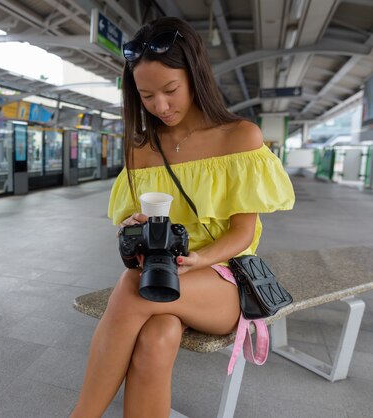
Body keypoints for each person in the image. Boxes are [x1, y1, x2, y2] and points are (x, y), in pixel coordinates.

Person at [70, 17, 295, 418]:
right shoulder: (141, 150)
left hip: (223, 277)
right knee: (157, 338)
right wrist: (134, 229)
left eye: (170, 90)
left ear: (195, 75)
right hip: (164, 274)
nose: (160, 106)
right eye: (146, 95)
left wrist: (198, 261)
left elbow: (243, 233)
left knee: (130, 284)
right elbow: (132, 224)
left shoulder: (239, 137)